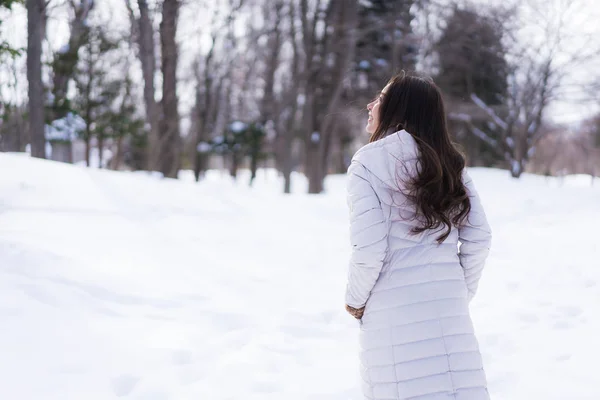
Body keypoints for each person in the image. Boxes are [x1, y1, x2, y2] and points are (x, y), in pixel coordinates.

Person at [344, 73, 492, 400]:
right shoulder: (450, 163)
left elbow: (369, 250)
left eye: (380, 99)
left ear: (399, 107)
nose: (370, 105)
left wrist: (354, 301)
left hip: (392, 314)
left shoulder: (367, 163)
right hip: (448, 312)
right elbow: (479, 237)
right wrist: (456, 290)